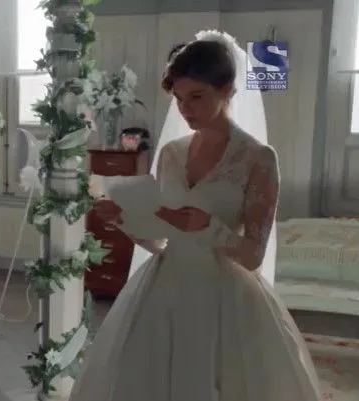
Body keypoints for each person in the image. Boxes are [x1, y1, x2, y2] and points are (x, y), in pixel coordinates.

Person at [72, 31, 322, 401]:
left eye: (197, 97)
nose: (185, 109)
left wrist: (209, 228)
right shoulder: (171, 153)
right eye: (179, 98)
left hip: (225, 296)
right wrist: (124, 219)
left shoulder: (258, 158)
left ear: (228, 90)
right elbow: (159, 240)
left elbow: (253, 256)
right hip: (164, 288)